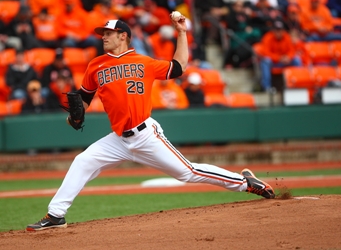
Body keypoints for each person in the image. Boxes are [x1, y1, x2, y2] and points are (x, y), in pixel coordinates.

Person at [26, 17, 275, 231]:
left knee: (187, 172)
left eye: (109, 33)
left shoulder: (144, 62)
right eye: (103, 33)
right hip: (118, 139)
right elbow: (84, 98)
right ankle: (56, 215)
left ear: (123, 36)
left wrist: (181, 33)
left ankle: (245, 182)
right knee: (83, 161)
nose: (103, 37)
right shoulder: (95, 65)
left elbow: (178, 67)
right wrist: (76, 112)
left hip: (145, 134)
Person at [258, 20, 302, 91]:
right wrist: (279, 58)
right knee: (265, 61)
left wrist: (288, 57)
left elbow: (292, 50)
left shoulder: (286, 36)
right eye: (276, 30)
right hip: (274, 62)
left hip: (285, 61)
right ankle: (267, 87)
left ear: (283, 30)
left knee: (297, 60)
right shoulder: (268, 37)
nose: (278, 32)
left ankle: (298, 84)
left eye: (280, 30)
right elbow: (265, 52)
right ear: (273, 31)